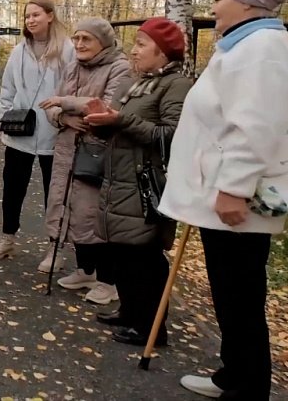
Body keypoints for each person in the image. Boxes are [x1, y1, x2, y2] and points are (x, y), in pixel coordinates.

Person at [159, 0, 288, 401]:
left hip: (235, 197)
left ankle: (247, 386)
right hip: (221, 190)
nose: (214, 5)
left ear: (246, 1)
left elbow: (254, 127)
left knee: (239, 295)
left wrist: (233, 189)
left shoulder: (261, 50)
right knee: (231, 292)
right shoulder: (246, 45)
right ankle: (234, 374)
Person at [83, 17, 191, 346]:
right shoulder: (136, 81)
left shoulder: (176, 85)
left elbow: (172, 135)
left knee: (144, 255)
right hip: (119, 178)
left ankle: (152, 328)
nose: (134, 50)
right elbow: (118, 121)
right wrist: (100, 121)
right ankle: (130, 312)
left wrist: (121, 119)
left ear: (163, 52)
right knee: (122, 251)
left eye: (142, 44)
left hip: (146, 183)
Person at [41, 17, 130, 305]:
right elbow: (50, 105)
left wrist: (64, 103)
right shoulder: (72, 67)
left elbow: (107, 107)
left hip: (98, 152)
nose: (79, 44)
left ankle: (109, 280)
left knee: (94, 214)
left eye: (86, 39)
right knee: (68, 208)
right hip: (68, 149)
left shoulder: (120, 67)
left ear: (103, 42)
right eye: (76, 38)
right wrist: (62, 116)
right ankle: (85, 270)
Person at [0, 0, 75, 264]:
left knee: (55, 192)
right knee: (13, 188)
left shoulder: (67, 50)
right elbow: (8, 88)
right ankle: (7, 238)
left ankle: (55, 248)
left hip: (55, 130)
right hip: (20, 130)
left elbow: (73, 88)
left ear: (50, 15)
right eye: (27, 17)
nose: (30, 20)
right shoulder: (19, 51)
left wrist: (65, 116)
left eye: (36, 15)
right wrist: (3, 118)